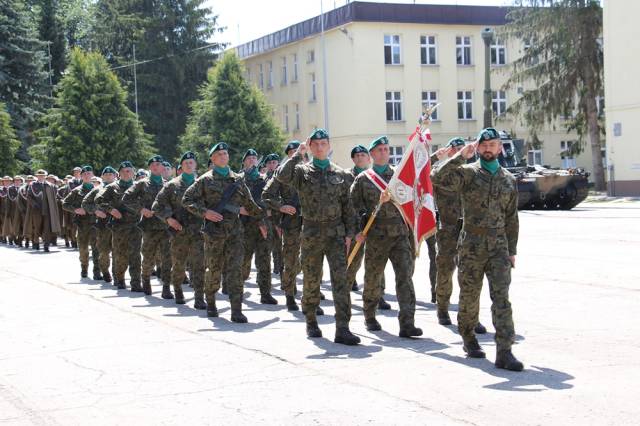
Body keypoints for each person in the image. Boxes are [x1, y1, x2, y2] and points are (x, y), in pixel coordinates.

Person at [432, 127, 523, 371]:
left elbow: (512, 217)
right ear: (478, 147)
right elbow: (437, 178)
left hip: (499, 246)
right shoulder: (468, 174)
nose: (488, 148)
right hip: (471, 243)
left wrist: (512, 250)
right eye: (483, 145)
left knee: (501, 298)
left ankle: (504, 350)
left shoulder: (508, 179)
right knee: (470, 296)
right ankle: (469, 338)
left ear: (500, 148)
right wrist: (460, 155)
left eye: (492, 144)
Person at [277, 128, 360, 345]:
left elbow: (348, 208)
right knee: (312, 280)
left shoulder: (341, 174)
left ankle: (343, 327)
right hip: (312, 233)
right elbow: (281, 176)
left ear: (329, 146)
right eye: (316, 144)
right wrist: (298, 153)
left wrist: (350, 233)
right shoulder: (302, 172)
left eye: (324, 144)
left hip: (336, 234)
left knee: (341, 281)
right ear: (311, 147)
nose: (321, 147)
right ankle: (311, 321)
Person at [183, 142, 265, 322]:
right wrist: (205, 212)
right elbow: (187, 200)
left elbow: (250, 205)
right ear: (212, 158)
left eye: (225, 154)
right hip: (214, 234)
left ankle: (236, 309)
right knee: (214, 269)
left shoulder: (237, 179)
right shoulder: (205, 180)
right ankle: (211, 302)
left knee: (235, 270)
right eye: (219, 154)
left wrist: (262, 220)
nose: (223, 156)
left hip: (235, 233)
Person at [350, 136, 422, 337]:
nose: (383, 152)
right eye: (379, 150)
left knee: (405, 278)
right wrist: (358, 230)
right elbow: (353, 208)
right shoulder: (364, 179)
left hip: (400, 235)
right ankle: (370, 315)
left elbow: (412, 201)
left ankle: (407, 323)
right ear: (371, 154)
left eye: (386, 149)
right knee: (373, 278)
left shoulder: (399, 176)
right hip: (376, 235)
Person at [153, 151, 206, 308]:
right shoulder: (172, 185)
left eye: (192, 163)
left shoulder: (203, 183)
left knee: (199, 265)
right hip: (179, 231)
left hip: (198, 231)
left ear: (195, 165)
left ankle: (198, 297)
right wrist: (169, 219)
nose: (189, 165)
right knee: (179, 263)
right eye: (186, 163)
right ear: (181, 167)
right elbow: (156, 206)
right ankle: (178, 290)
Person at [262, 141, 303, 311]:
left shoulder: (311, 171)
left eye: (299, 152)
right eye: (293, 153)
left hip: (312, 224)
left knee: (309, 262)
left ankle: (310, 297)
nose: (298, 155)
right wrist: (281, 207)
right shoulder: (280, 174)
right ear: (288, 156)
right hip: (291, 223)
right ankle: (290, 295)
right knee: (290, 260)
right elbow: (266, 195)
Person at [122, 155, 172, 297]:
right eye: (153, 164)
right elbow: (126, 198)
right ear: (150, 167)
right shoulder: (142, 183)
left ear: (163, 167)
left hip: (165, 226)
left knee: (167, 258)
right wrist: (141, 209)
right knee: (148, 257)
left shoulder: (167, 184)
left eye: (159, 164)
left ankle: (166, 287)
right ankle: (146, 281)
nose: (156, 166)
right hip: (149, 227)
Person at [95, 161, 142, 291]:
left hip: (136, 225)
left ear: (133, 173)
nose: (127, 173)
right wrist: (110, 210)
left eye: (129, 171)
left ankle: (136, 282)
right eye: (124, 171)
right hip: (119, 226)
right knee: (120, 253)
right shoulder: (112, 187)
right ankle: (120, 279)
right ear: (119, 174)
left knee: (135, 254)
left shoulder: (139, 186)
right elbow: (98, 200)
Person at [238, 149, 276, 304]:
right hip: (244, 226)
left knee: (264, 260)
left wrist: (267, 215)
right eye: (249, 158)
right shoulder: (238, 179)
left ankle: (265, 293)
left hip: (262, 226)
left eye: (254, 158)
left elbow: (270, 201)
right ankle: (237, 289)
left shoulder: (263, 180)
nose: (253, 160)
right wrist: (239, 209)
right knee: (243, 260)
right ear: (244, 161)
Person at [62, 165, 101, 279]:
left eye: (89, 173)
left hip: (96, 223)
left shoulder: (99, 189)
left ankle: (97, 272)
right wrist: (75, 210)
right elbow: (65, 204)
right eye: (84, 174)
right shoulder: (76, 191)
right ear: (81, 176)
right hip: (82, 224)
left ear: (92, 175)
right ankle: (84, 268)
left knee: (96, 248)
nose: (87, 176)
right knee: (83, 249)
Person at [25, 170, 62, 252]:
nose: (41, 177)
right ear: (37, 176)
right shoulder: (32, 185)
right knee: (37, 228)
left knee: (47, 229)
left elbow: (53, 197)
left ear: (45, 176)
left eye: (42, 175)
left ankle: (46, 245)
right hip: (36, 211)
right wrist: (34, 204)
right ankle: (36, 242)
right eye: (39, 175)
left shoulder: (50, 185)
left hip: (47, 211)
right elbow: (29, 196)